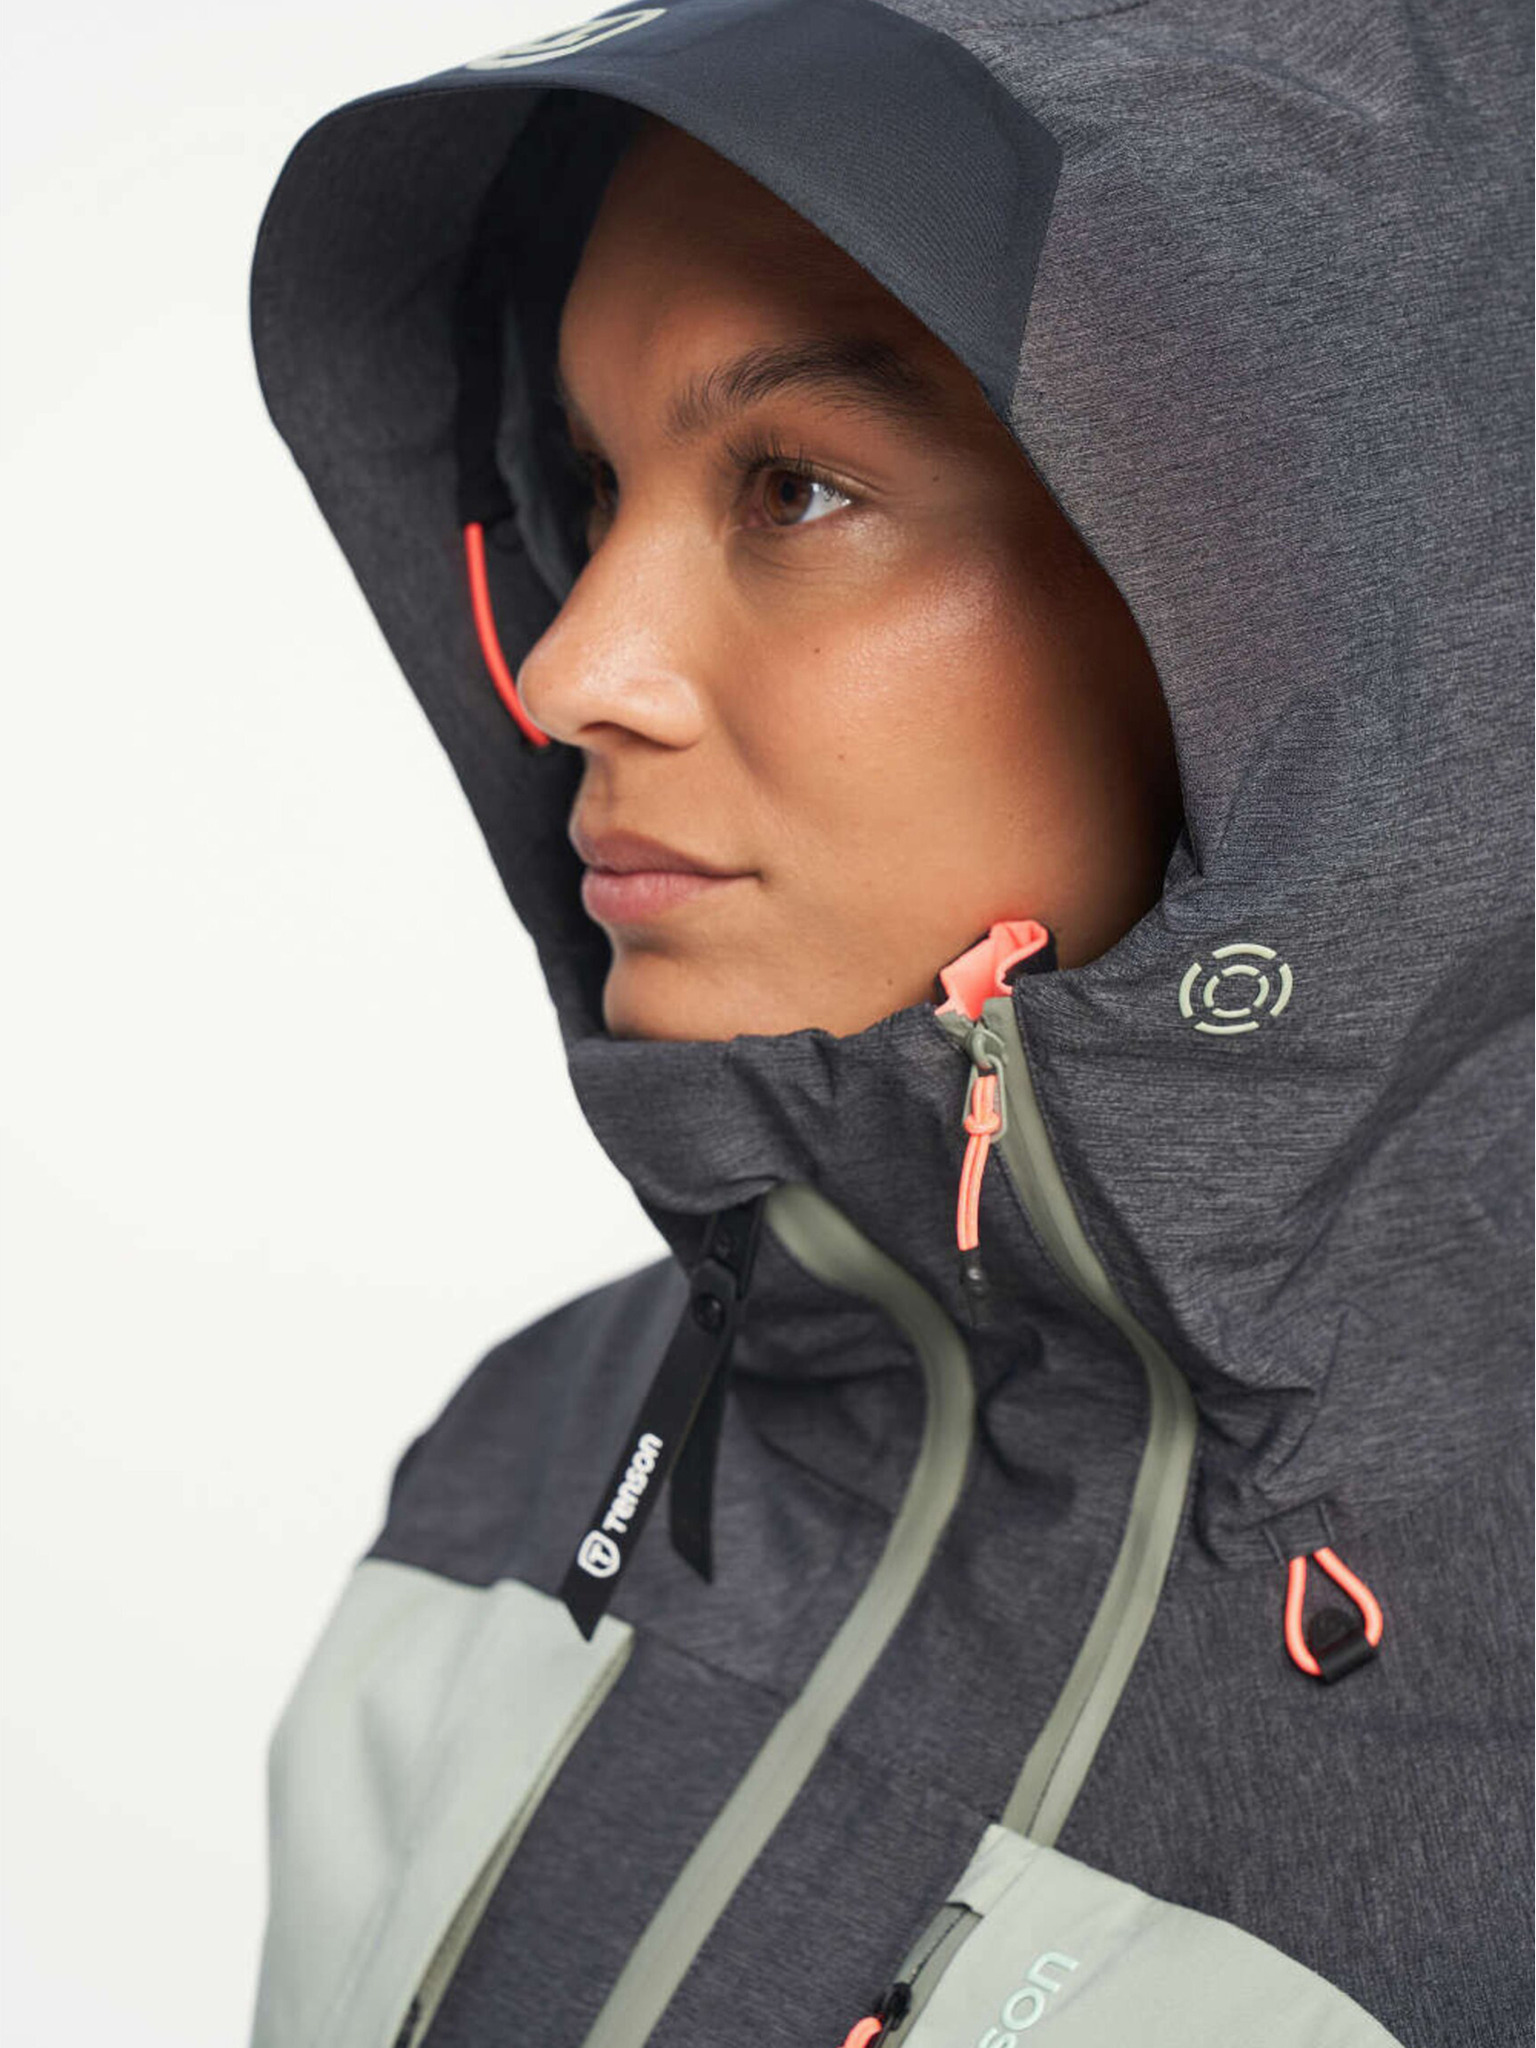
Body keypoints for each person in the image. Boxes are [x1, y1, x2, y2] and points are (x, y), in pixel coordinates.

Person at [245, 6, 1533, 2047]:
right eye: (585, 483)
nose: (571, 670)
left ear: (1301, 603)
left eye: (794, 486)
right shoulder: (535, 1452)